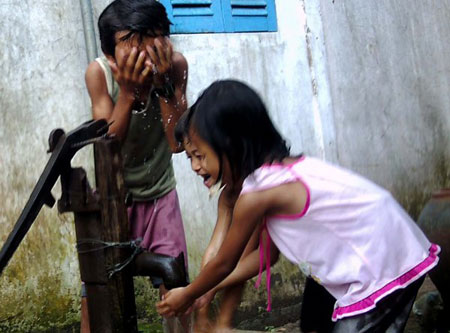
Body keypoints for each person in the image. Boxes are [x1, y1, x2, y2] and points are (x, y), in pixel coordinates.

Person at [157, 80, 440, 332]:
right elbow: (265, 256)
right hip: (386, 251)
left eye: (202, 155)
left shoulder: (259, 193)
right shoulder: (275, 175)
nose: (196, 166)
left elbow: (224, 262)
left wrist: (190, 293)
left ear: (230, 145)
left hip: (379, 264)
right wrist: (210, 289)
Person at [85, 0, 189, 331]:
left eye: (152, 37)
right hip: (117, 199)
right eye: (132, 40)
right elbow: (108, 147)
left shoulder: (175, 66)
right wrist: (128, 95)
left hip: (161, 194)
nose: (144, 49)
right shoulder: (100, 73)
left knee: (177, 286)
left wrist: (164, 85)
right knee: (97, 292)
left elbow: (177, 142)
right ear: (111, 53)